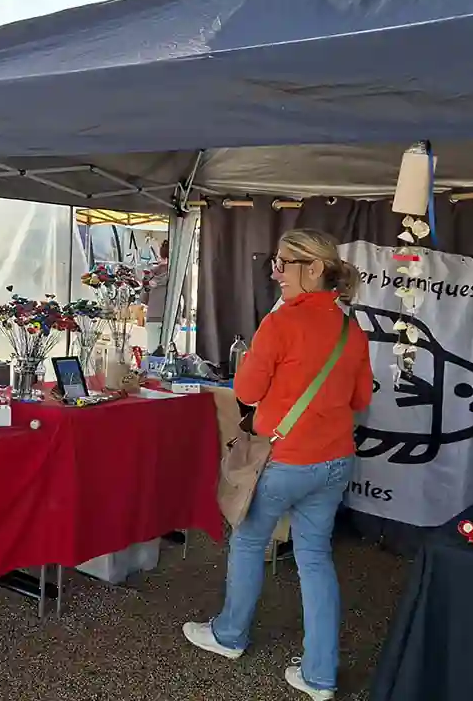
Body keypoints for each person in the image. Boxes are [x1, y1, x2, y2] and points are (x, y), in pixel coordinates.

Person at [183, 228, 373, 700]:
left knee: (249, 542)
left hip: (283, 461)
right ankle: (320, 675)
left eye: (284, 264)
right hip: (334, 462)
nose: (276, 273)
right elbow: (360, 399)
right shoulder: (351, 329)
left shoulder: (280, 323)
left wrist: (256, 360)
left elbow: (246, 392)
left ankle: (230, 635)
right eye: (276, 263)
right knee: (315, 558)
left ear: (315, 268)